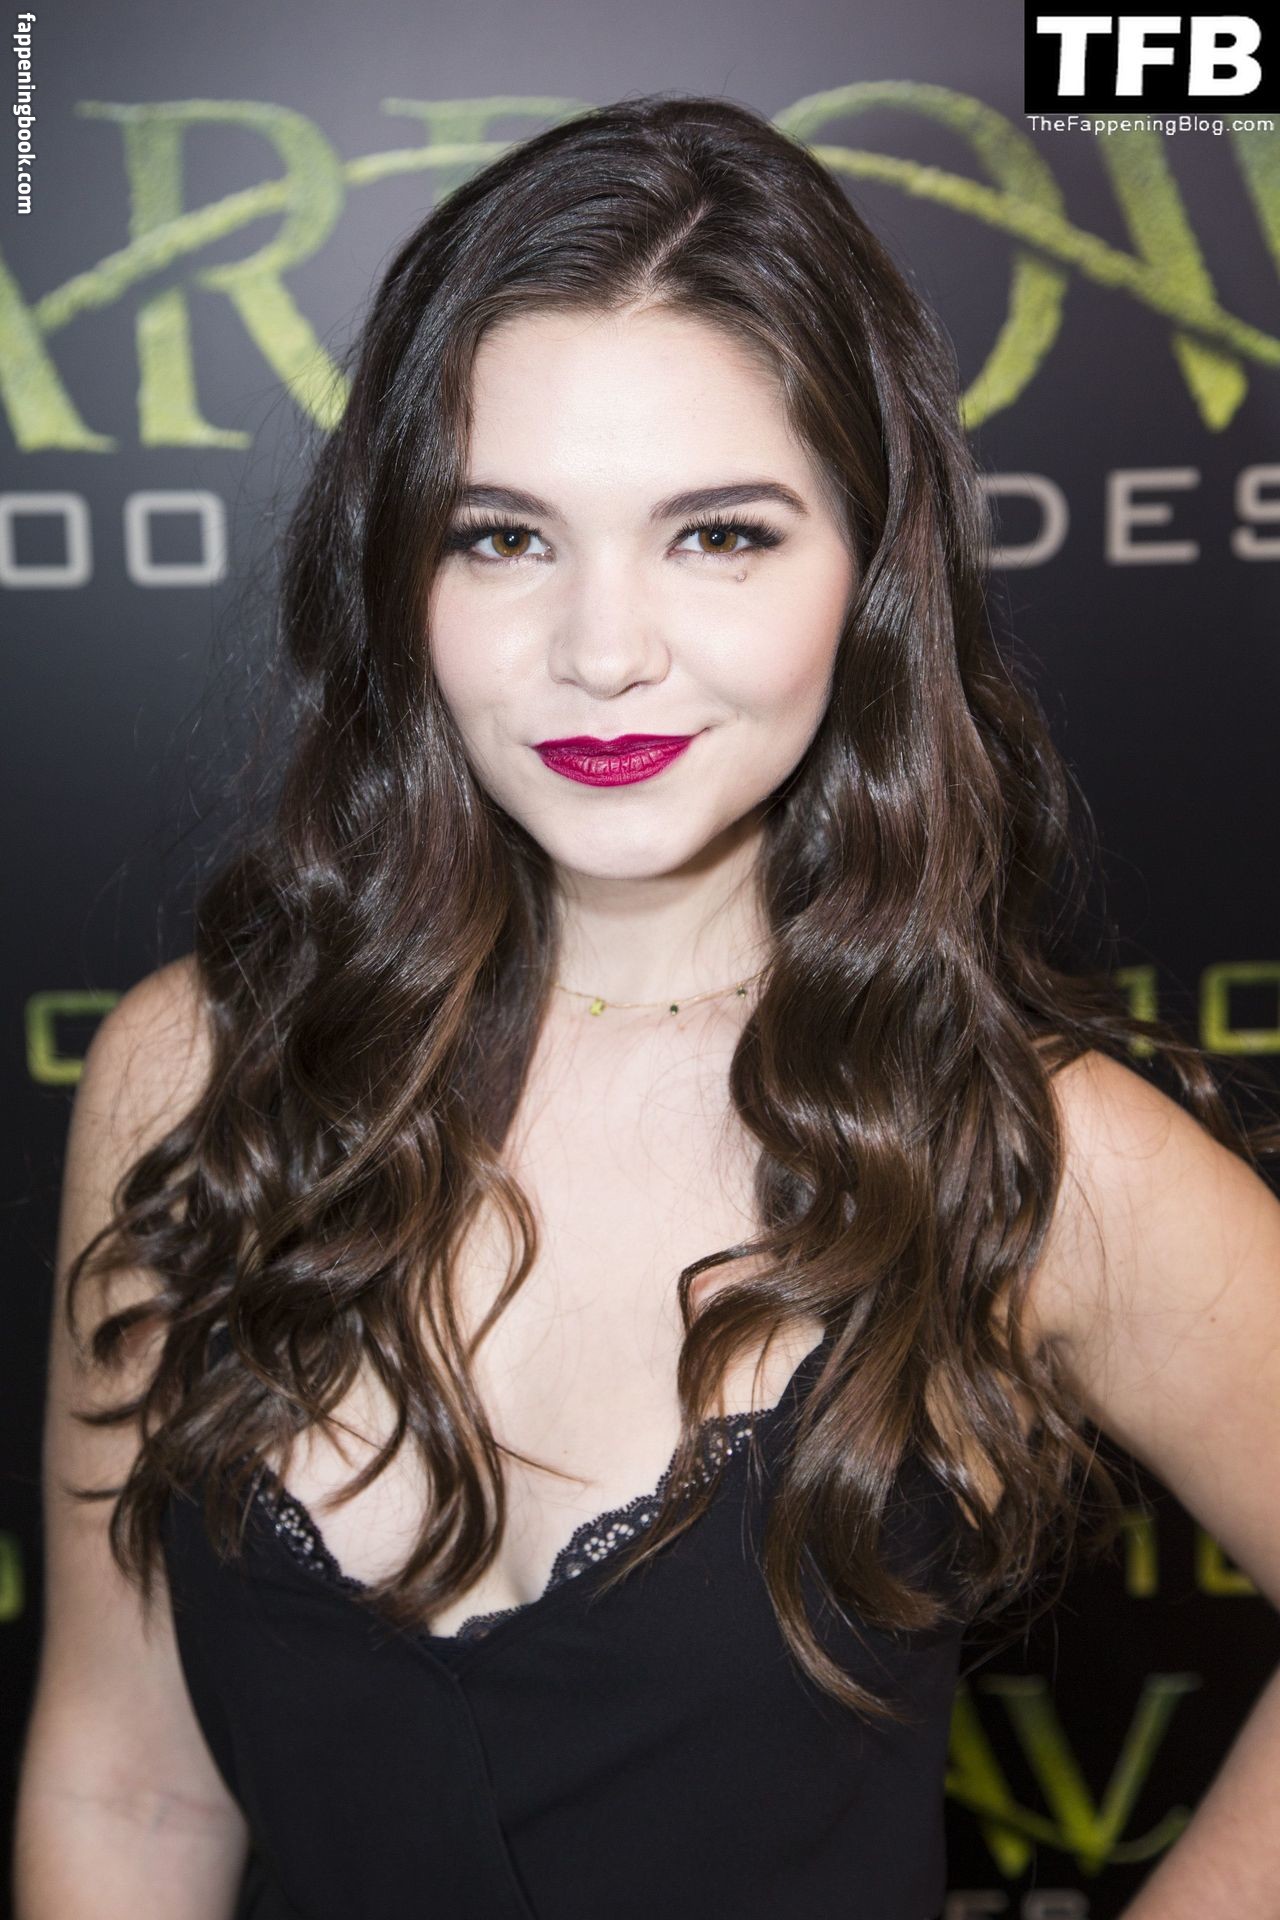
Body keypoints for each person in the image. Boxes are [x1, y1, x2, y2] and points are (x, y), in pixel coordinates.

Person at [14, 91, 1280, 1920]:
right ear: (399, 568)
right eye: (503, 537)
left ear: (872, 571)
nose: (603, 651)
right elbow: (126, 1792)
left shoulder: (1031, 1152)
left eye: (721, 535)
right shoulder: (192, 1073)